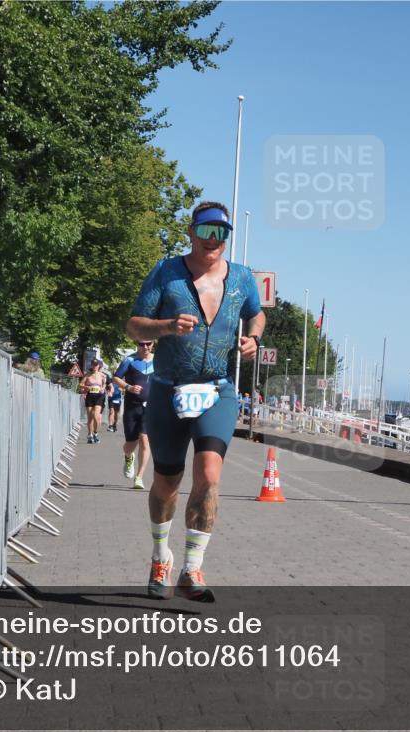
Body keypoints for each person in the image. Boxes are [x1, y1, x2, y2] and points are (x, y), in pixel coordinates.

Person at [126, 201, 265, 602]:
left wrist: (254, 338)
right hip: (168, 391)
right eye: (206, 230)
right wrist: (167, 326)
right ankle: (160, 558)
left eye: (221, 233)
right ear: (191, 232)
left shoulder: (242, 278)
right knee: (166, 482)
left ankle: (191, 568)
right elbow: (134, 325)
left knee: (208, 474)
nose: (213, 239)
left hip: (217, 391)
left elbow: (257, 315)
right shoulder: (167, 272)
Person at [113, 341, 155, 489]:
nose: (145, 347)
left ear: (153, 343)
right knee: (130, 444)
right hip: (132, 407)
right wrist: (128, 387)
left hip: (151, 407)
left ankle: (139, 477)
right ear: (137, 344)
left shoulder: (158, 361)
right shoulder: (129, 360)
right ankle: (128, 456)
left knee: (144, 439)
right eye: (142, 344)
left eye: (148, 344)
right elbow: (116, 378)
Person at [79, 359, 108, 444]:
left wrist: (102, 388)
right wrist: (86, 387)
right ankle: (90, 434)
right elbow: (80, 384)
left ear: (99, 366)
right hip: (90, 396)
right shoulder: (87, 375)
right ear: (91, 365)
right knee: (90, 417)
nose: (94, 366)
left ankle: (95, 433)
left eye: (96, 365)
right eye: (93, 364)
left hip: (99, 396)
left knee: (96, 416)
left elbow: (104, 384)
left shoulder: (102, 375)